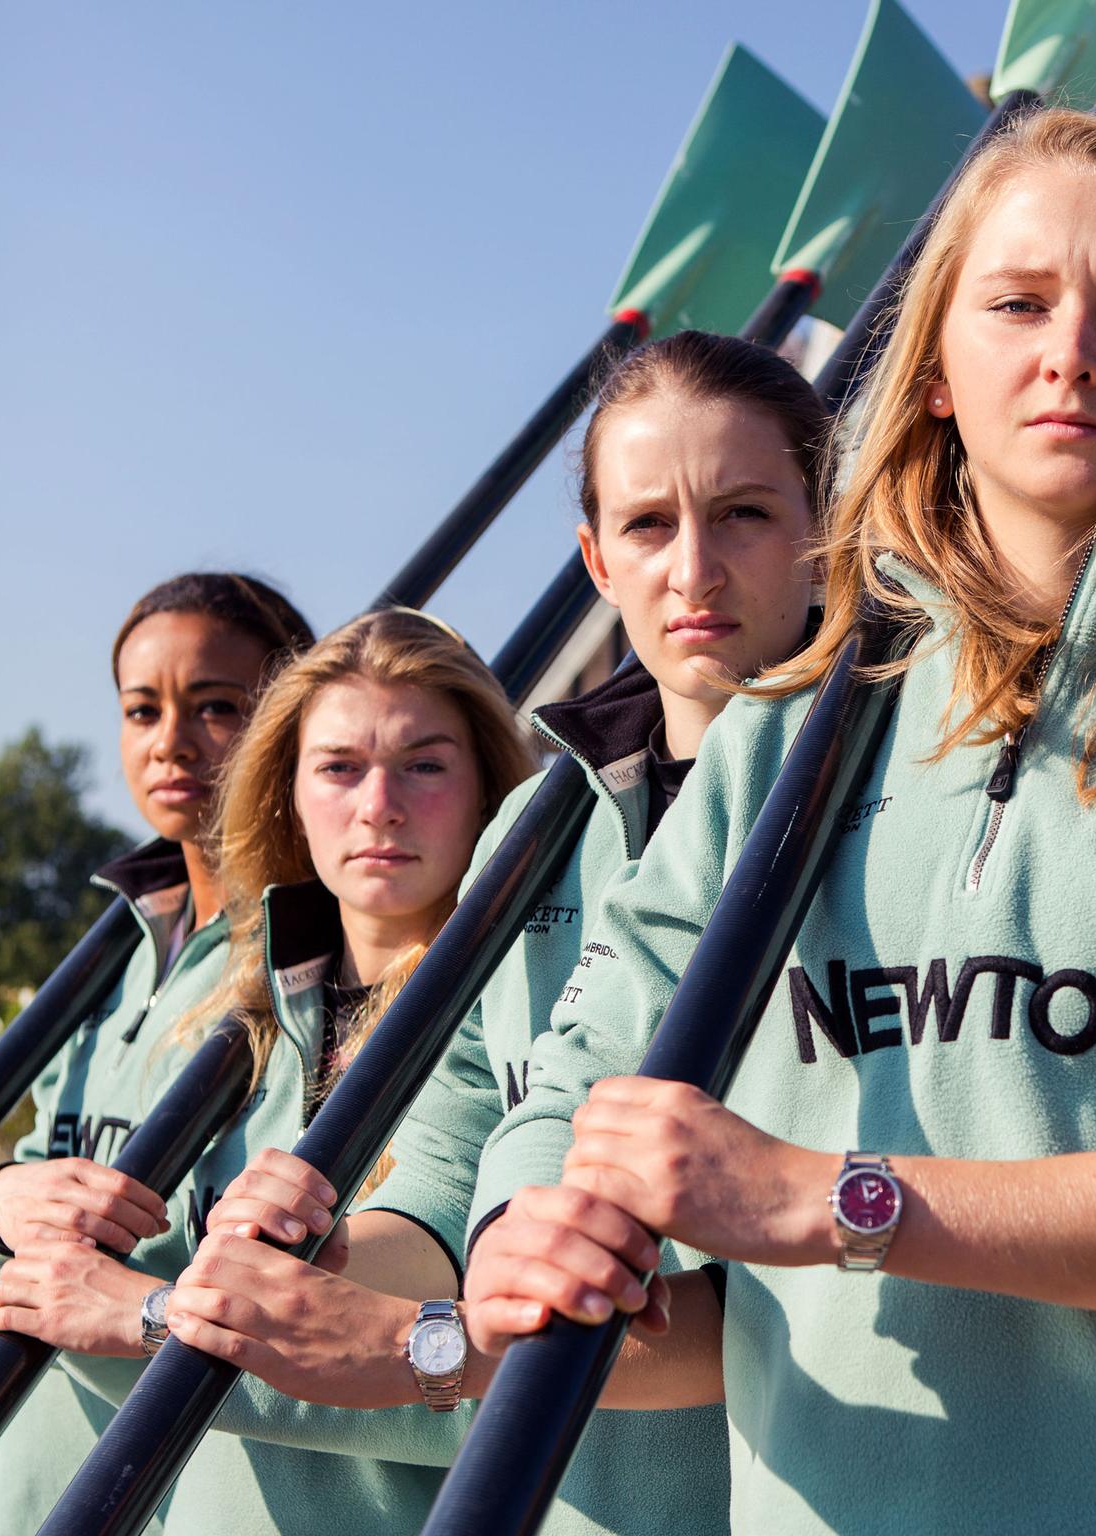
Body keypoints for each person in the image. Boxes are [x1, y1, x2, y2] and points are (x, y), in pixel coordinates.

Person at [456, 110, 1096, 1535]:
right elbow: (586, 1064)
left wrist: (837, 1200)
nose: (1071, 350)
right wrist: (521, 1225)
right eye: (1016, 304)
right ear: (937, 368)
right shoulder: (785, 735)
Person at [162, 332, 829, 1534]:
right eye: (645, 526)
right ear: (592, 559)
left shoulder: (880, 789)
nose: (694, 571)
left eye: (741, 513)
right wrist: (300, 1270)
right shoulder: (541, 820)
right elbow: (461, 1141)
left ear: (822, 527)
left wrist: (422, 1343)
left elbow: (791, 1297)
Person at [0, 572, 313, 1534]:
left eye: (217, 706)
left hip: (181, 1477)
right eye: (143, 709)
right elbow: (37, 1174)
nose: (170, 741)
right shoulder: (115, 946)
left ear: (288, 717)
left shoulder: (314, 950)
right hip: (26, 1464)